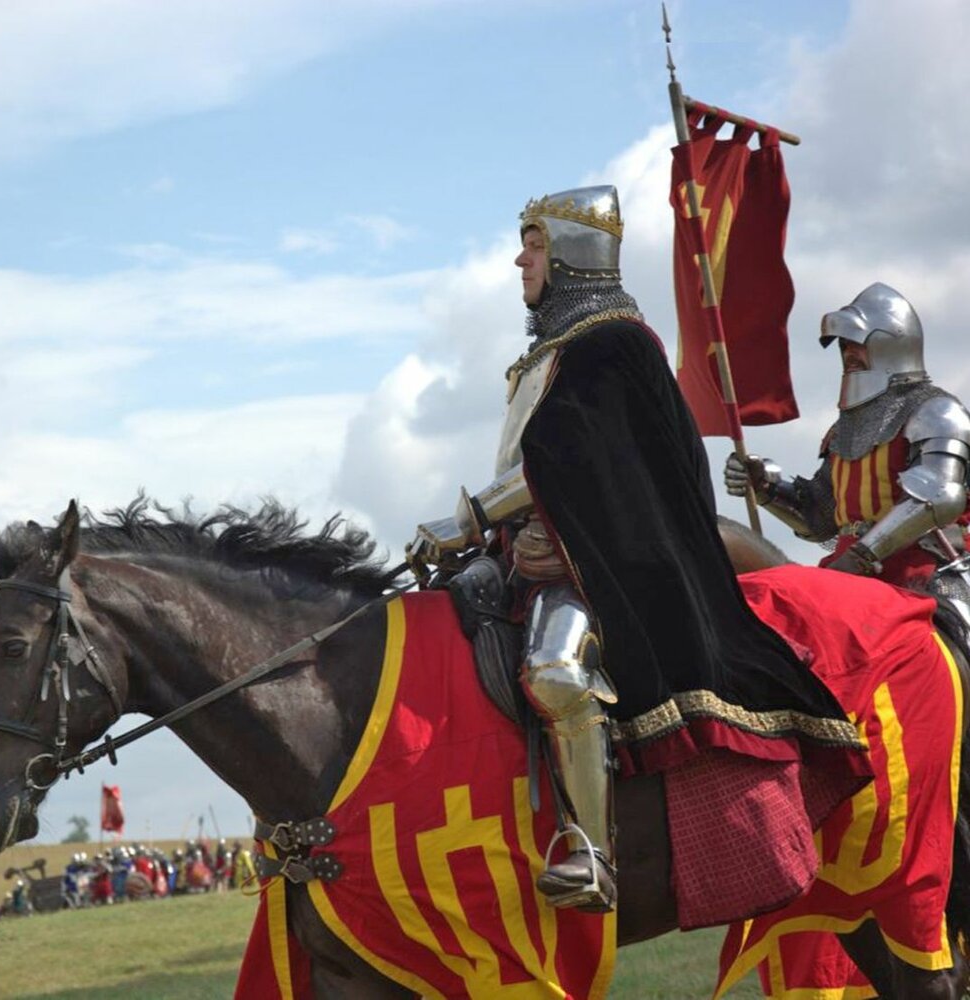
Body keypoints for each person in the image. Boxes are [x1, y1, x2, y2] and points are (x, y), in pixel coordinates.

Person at [408, 186, 867, 912]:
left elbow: (571, 461)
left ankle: (593, 854)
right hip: (541, 547)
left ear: (569, 254)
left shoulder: (612, 344)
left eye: (533, 244)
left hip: (611, 561)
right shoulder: (554, 353)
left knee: (555, 670)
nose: (520, 259)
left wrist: (465, 519)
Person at [724, 283, 970, 611]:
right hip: (844, 573)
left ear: (889, 344)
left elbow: (939, 497)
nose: (848, 353)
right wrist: (766, 487)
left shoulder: (936, 412)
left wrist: (862, 556)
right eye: (845, 346)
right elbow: (820, 517)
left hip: (921, 571)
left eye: (857, 344)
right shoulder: (844, 430)